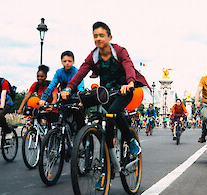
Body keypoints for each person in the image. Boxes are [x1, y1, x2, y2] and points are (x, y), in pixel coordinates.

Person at [63, 21, 149, 156]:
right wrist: (68, 88)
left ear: (110, 37)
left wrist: (130, 83)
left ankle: (131, 140)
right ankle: (109, 160)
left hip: (124, 90)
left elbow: (128, 66)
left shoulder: (120, 51)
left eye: (101, 35)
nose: (98, 38)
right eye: (95, 36)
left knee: (113, 111)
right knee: (104, 117)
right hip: (106, 93)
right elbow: (80, 73)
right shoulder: (93, 56)